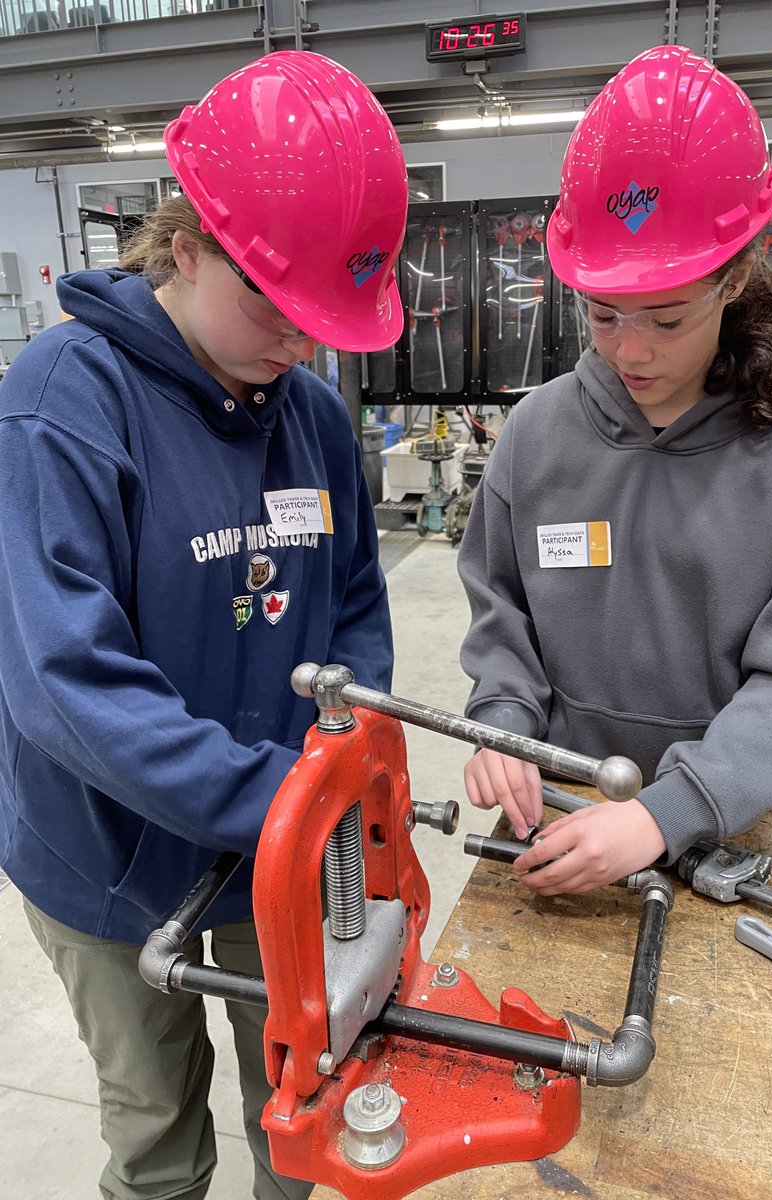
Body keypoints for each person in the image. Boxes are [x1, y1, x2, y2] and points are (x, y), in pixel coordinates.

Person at [0, 51, 407, 1200]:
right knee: (158, 1139)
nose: (302, 342)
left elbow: (356, 603)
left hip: (286, 850)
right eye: (276, 305)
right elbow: (65, 681)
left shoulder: (311, 415)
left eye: (323, 318)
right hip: (109, 866)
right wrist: (284, 797)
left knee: (304, 1111)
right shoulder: (63, 403)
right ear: (186, 246)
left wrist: (341, 763)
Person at [458, 44, 772, 895]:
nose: (631, 351)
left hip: (729, 825)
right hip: (560, 813)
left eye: (667, 317)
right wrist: (502, 720)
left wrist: (666, 813)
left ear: (732, 278)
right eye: (603, 314)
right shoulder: (538, 432)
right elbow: (503, 611)